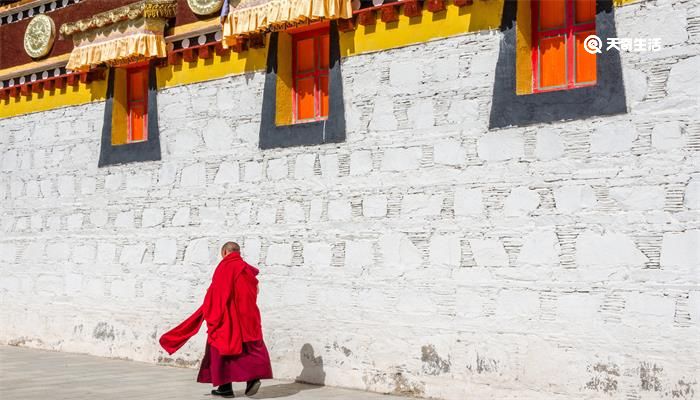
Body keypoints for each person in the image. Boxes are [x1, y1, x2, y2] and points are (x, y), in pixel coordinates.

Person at [159, 242, 272, 398]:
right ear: (238, 252)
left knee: (220, 350)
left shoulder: (225, 267)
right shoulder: (246, 269)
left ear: (225, 252)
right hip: (248, 318)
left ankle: (225, 388)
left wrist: (210, 311)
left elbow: (218, 294)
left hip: (227, 318)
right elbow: (253, 292)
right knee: (249, 350)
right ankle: (252, 379)